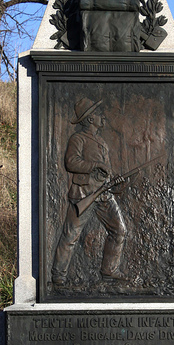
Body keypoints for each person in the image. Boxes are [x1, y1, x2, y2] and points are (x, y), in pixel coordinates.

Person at [51, 97, 127, 286]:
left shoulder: (101, 142)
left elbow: (105, 170)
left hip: (103, 194)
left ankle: (109, 270)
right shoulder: (78, 138)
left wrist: (113, 180)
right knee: (70, 236)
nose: (103, 116)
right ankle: (58, 276)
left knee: (119, 230)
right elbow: (71, 162)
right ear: (90, 119)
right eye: (98, 113)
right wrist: (96, 165)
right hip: (83, 194)